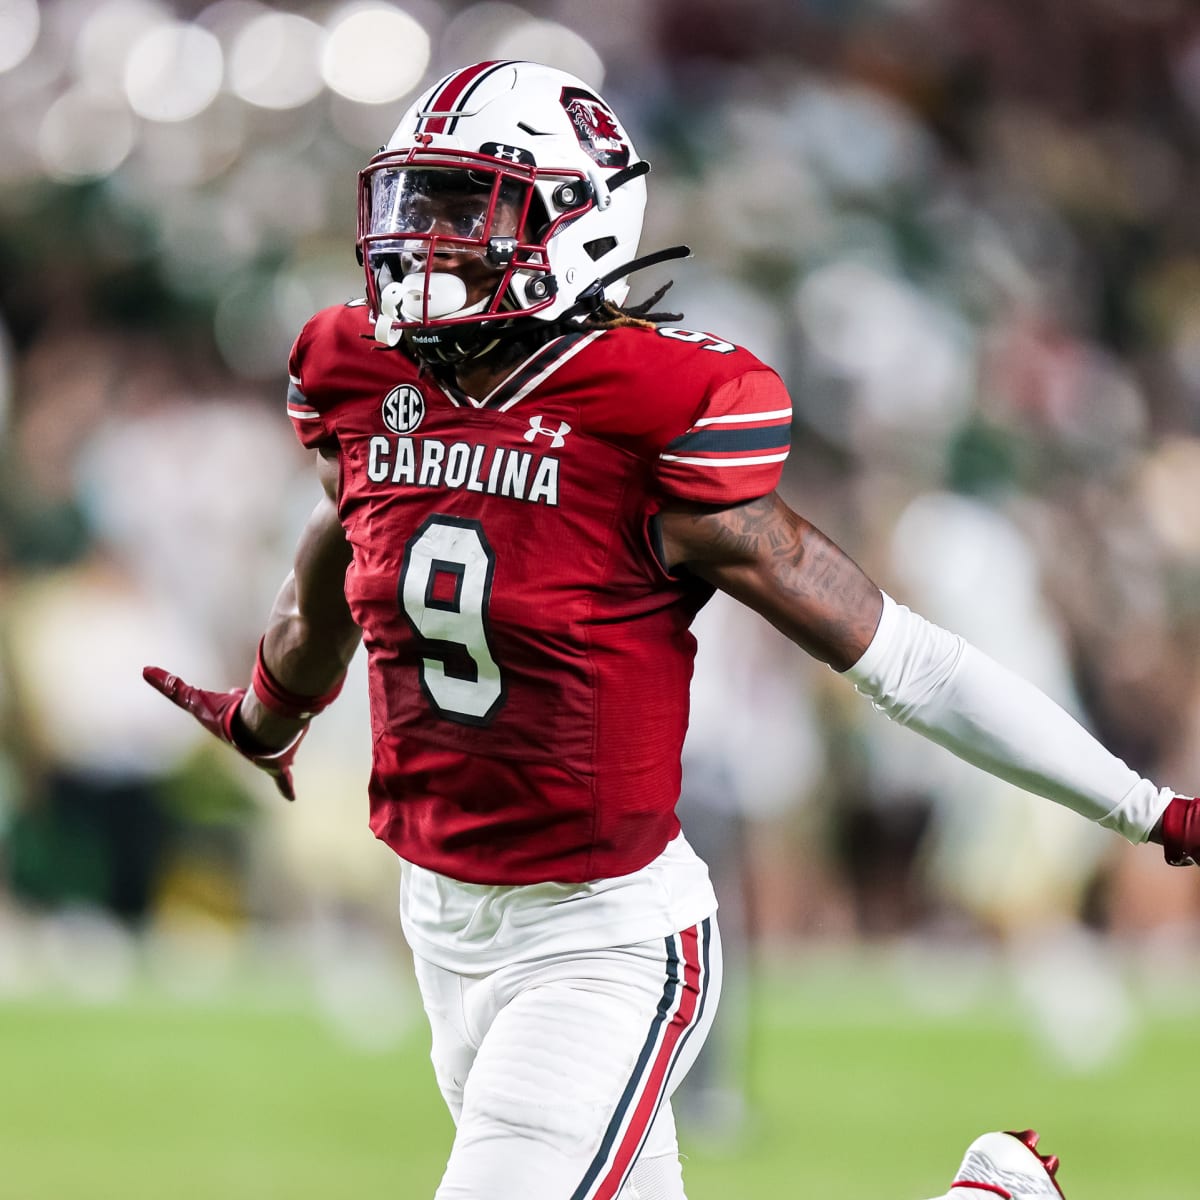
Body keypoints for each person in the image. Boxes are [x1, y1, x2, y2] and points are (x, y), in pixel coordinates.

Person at [144, 60, 1197, 1200]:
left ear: (575, 226)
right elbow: (342, 541)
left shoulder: (654, 417)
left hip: (603, 940)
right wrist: (269, 708)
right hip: (440, 922)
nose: (424, 240)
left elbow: (905, 659)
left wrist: (1147, 809)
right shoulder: (360, 372)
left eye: (464, 206)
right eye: (419, 202)